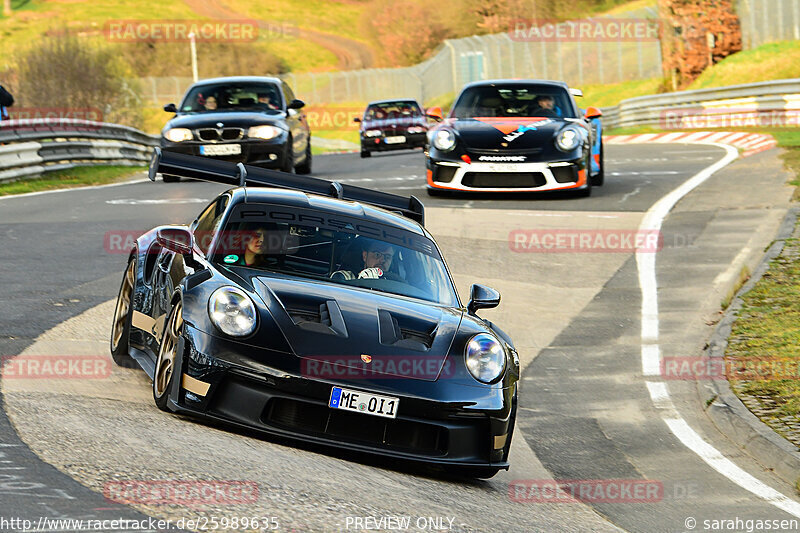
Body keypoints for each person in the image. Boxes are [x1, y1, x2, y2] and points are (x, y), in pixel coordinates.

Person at [331, 239, 402, 281]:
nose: (382, 260)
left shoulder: (396, 285)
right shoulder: (348, 278)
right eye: (377, 254)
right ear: (365, 256)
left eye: (387, 257)